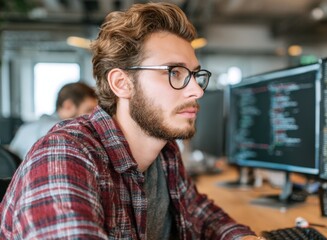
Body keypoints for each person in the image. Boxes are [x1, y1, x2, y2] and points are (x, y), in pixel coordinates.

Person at [0, 3, 263, 239]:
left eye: (194, 75)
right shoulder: (64, 155)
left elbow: (201, 214)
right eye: (174, 72)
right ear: (121, 83)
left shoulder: (164, 153)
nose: (197, 90)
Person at [8, 82, 98, 160]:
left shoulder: (26, 128)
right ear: (68, 106)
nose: (93, 116)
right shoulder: (64, 131)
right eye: (88, 110)